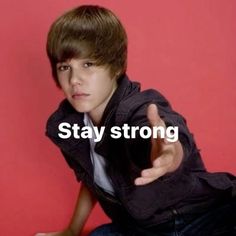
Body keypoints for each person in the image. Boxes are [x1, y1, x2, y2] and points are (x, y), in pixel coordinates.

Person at [36, 5, 236, 236]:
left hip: (200, 216)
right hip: (142, 228)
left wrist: (167, 152)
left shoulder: (137, 107)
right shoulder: (70, 126)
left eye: (88, 64)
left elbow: (162, 131)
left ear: (117, 67)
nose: (74, 79)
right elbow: (91, 180)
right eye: (64, 67)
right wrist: (72, 230)